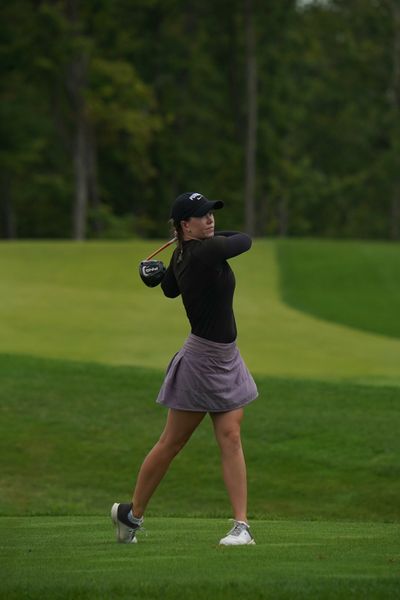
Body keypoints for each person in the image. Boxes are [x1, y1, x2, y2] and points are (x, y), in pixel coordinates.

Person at [111, 192, 258, 546]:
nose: (210, 219)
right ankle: (131, 515)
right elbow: (244, 240)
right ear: (183, 225)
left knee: (231, 437)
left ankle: (241, 526)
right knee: (172, 443)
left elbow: (168, 289)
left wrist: (155, 274)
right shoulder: (205, 251)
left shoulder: (185, 253)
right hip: (201, 361)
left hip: (226, 357)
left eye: (211, 213)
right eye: (200, 215)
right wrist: (171, 263)